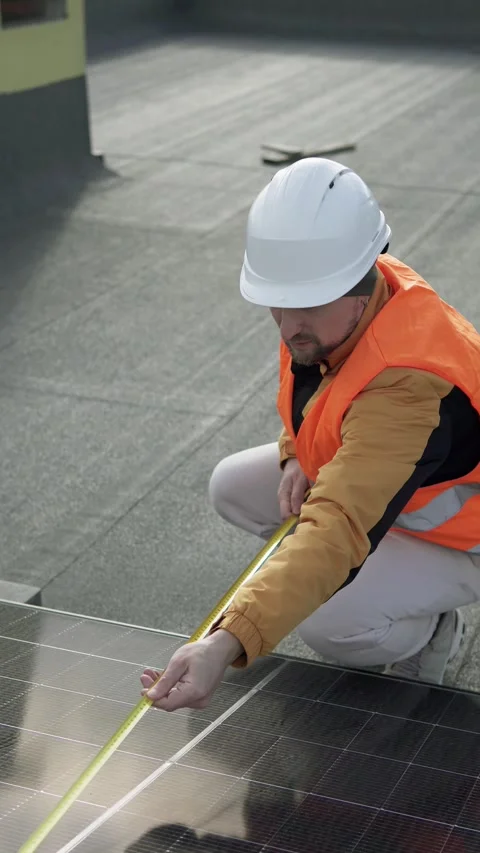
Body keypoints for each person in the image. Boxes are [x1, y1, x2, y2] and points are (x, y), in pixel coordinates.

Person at [141, 157, 480, 711]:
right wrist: (295, 452)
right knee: (234, 484)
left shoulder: (407, 384)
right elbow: (310, 397)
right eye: (279, 302)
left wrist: (226, 642)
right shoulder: (328, 310)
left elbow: (338, 526)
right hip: (398, 495)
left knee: (331, 621)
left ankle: (429, 628)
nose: (288, 324)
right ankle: (380, 574)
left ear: (360, 280)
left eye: (308, 306)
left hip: (463, 535)